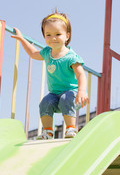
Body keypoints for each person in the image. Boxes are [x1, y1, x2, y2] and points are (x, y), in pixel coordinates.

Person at [11, 10, 89, 139]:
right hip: (54, 94)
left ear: (67, 36)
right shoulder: (47, 53)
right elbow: (33, 53)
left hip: (72, 94)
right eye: (48, 35)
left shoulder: (71, 57)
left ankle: (71, 129)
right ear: (44, 37)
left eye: (58, 34)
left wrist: (82, 91)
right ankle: (47, 132)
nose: (53, 38)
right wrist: (21, 39)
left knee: (66, 98)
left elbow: (81, 75)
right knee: (45, 102)